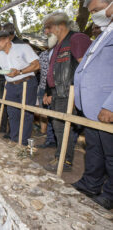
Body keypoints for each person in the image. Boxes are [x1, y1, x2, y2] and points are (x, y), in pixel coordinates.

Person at [72, 0, 113, 210]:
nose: (95, 15)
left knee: (111, 152)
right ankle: (90, 183)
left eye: (97, 10)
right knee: (94, 148)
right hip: (92, 105)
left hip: (106, 105)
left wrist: (111, 105)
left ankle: (110, 195)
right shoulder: (104, 32)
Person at [42, 12, 92, 172]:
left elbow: (87, 68)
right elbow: (53, 72)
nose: (45, 32)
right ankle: (61, 156)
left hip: (69, 92)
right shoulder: (58, 45)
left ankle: (65, 161)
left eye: (47, 28)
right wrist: (49, 91)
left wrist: (80, 93)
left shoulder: (77, 39)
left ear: (60, 26)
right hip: (58, 92)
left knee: (63, 127)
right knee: (58, 126)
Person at [37, 49, 57, 148]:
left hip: (58, 89)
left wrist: (50, 92)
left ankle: (58, 142)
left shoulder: (62, 51)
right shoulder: (43, 54)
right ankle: (50, 139)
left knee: (56, 117)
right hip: (45, 87)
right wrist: (46, 91)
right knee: (47, 113)